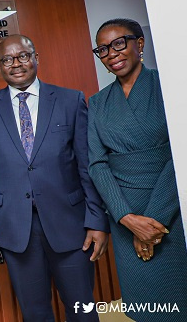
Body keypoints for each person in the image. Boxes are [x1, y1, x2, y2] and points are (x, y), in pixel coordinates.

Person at [0, 35, 109, 321]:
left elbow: (87, 165)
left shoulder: (70, 100)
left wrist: (97, 220)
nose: (16, 64)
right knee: (35, 313)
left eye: (23, 56)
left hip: (70, 225)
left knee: (82, 309)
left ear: (36, 58)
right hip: (14, 229)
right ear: (0, 66)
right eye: (7, 59)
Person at [88, 18, 187, 321]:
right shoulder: (97, 103)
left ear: (139, 44)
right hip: (125, 217)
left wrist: (151, 222)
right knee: (145, 307)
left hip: (172, 211)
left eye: (119, 43)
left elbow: (179, 152)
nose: (112, 53)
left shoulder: (170, 85)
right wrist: (128, 219)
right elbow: (97, 163)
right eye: (103, 49)